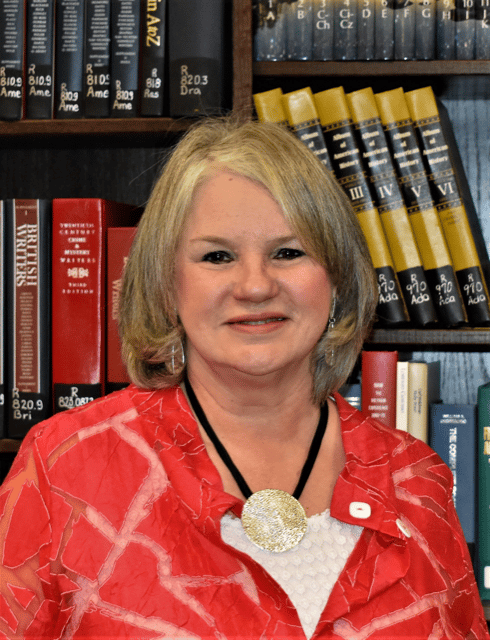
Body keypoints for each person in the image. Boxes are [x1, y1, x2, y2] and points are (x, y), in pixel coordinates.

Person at [0, 116, 488, 640]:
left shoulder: (418, 481)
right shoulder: (64, 468)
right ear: (167, 284)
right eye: (218, 256)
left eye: (288, 252)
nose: (255, 286)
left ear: (337, 276)